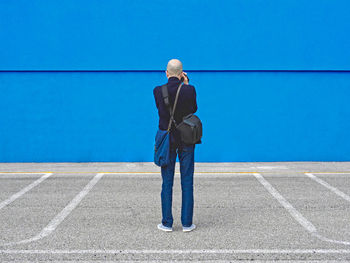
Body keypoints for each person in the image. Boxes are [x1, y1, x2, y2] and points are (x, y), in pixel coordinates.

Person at [153, 59, 198, 232]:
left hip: (167, 140)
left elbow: (162, 110)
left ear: (166, 73)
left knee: (167, 182)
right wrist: (186, 84)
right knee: (187, 180)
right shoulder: (189, 90)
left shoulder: (158, 91)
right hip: (186, 139)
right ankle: (187, 223)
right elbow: (193, 109)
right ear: (181, 74)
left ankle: (167, 223)